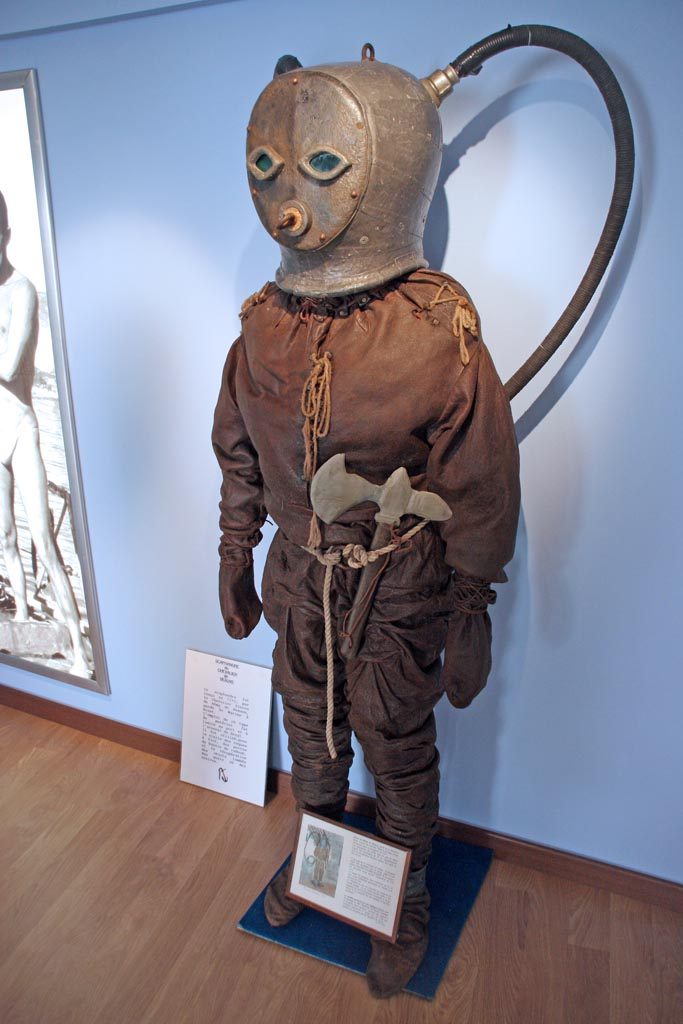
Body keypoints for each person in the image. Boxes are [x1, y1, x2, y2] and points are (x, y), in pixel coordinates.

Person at [213, 55, 520, 998]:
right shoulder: (262, 326)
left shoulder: (435, 329)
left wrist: (469, 605)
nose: (290, 198)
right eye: (272, 167)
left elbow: (478, 479)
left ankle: (404, 892)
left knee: (392, 738)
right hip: (298, 575)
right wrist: (235, 548)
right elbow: (239, 446)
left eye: (320, 164)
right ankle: (321, 863)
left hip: (396, 584)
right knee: (307, 728)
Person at [0, 190, 91, 677]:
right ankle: (20, 627)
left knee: (43, 538)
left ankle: (78, 649)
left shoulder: (22, 291)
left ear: (6, 235)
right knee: (6, 538)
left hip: (20, 427)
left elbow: (9, 365)